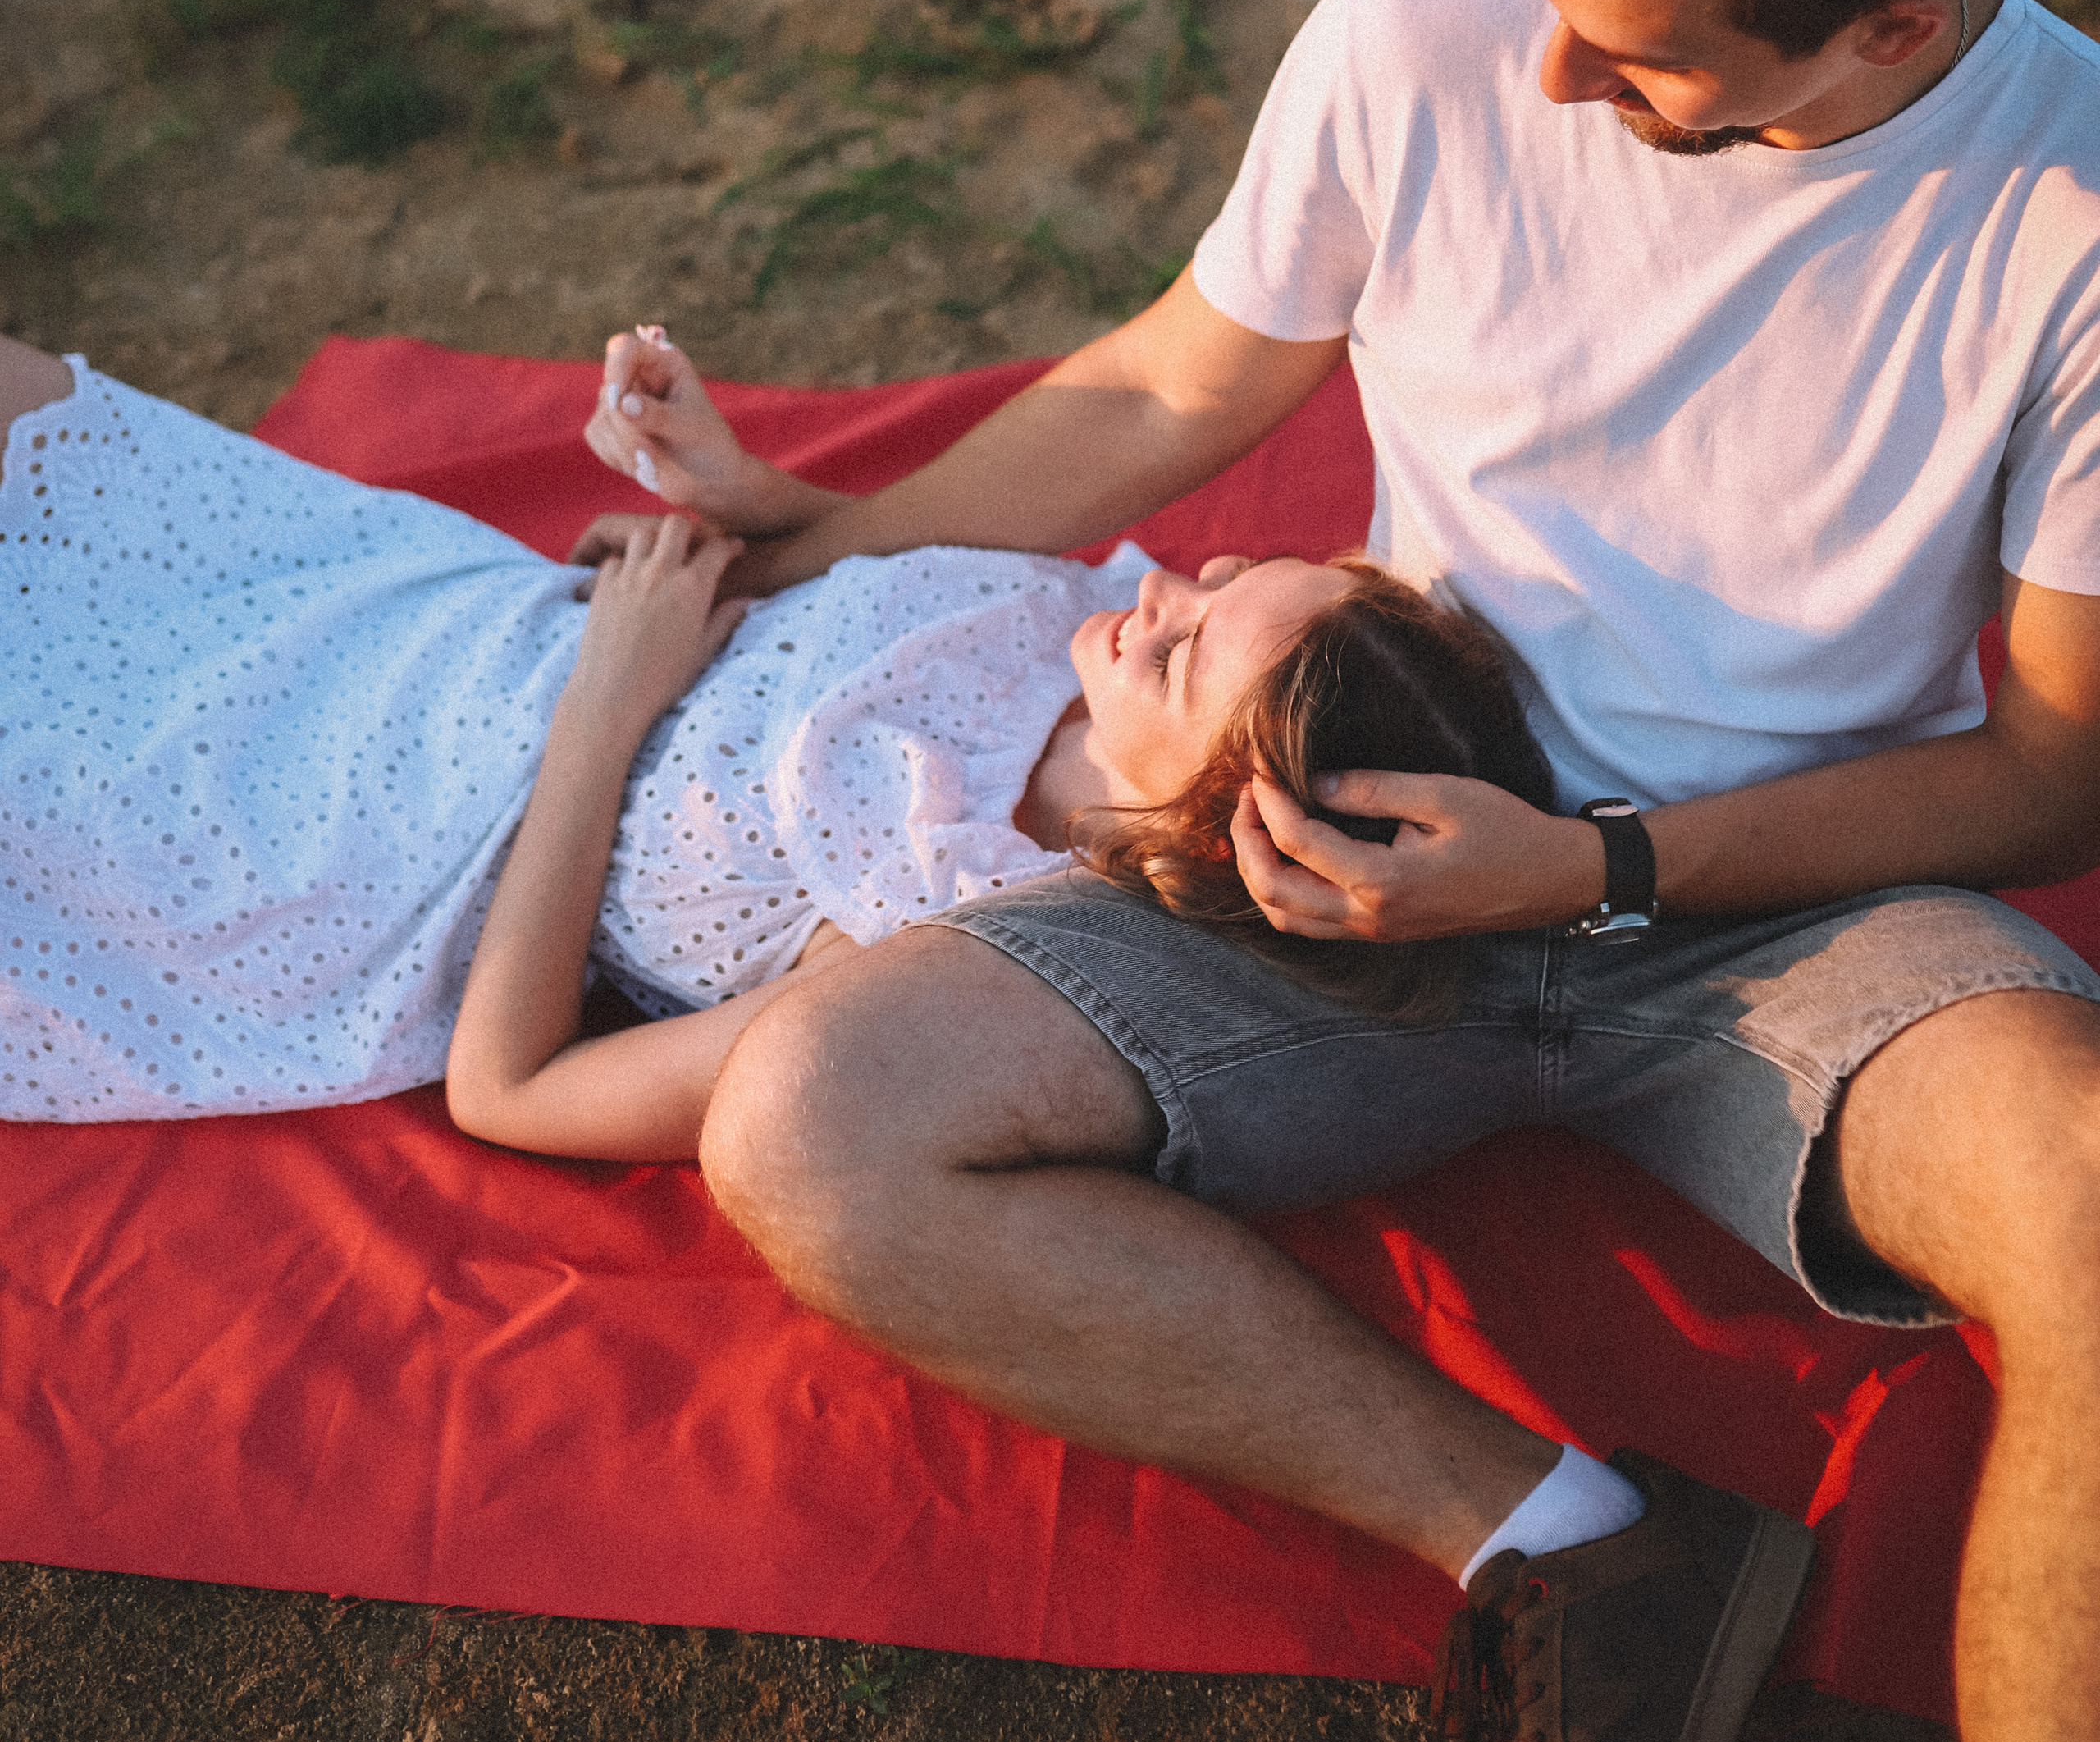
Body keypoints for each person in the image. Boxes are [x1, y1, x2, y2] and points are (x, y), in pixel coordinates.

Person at [594, 0, 2100, 1742]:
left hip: (1780, 915)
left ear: (1893, 18)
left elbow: (2052, 769)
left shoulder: (2072, 220)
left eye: (1635, 65)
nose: (1546, 91)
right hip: (1348, 837)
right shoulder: (1421, 37)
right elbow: (1175, 387)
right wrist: (821, 518)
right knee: (819, 1128)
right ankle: (1577, 1552)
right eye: (1540, 11)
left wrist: (1602, 867)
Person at [0, 331, 1539, 1145]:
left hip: (363, 835)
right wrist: (737, 492)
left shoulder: (941, 946)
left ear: (1224, 823)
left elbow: (512, 1090)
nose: (1171, 588)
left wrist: (608, 709)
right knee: (40, 417)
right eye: (1222, 575)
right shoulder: (1089, 618)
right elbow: (877, 569)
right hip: (435, 612)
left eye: (1195, 643)